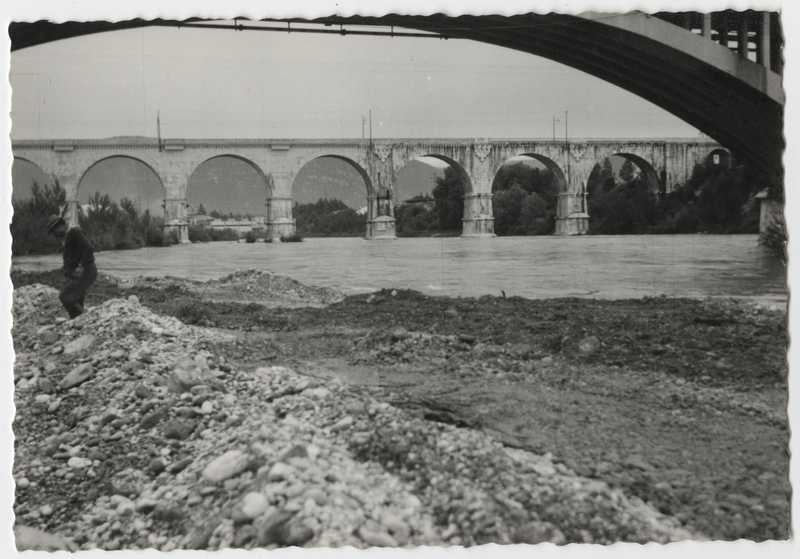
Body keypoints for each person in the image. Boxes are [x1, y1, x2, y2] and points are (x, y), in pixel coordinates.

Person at [47, 212, 97, 319]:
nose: (54, 234)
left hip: (86, 271)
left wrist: (82, 265)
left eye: (54, 230)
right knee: (77, 297)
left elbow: (88, 248)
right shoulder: (67, 238)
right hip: (79, 274)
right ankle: (77, 321)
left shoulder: (74, 233)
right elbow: (70, 259)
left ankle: (84, 317)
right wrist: (67, 271)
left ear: (61, 225)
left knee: (65, 296)